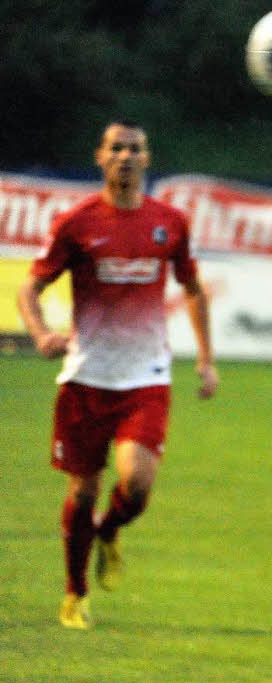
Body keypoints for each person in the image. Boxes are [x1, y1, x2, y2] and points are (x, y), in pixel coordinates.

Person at [16, 120, 218, 630]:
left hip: (145, 376)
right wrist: (41, 333)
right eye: (116, 148)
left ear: (147, 159)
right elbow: (30, 289)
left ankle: (109, 530)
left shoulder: (170, 222)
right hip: (87, 377)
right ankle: (75, 593)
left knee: (138, 483)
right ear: (100, 157)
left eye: (135, 148)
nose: (126, 156)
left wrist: (206, 359)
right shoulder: (77, 222)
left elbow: (192, 288)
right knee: (82, 491)